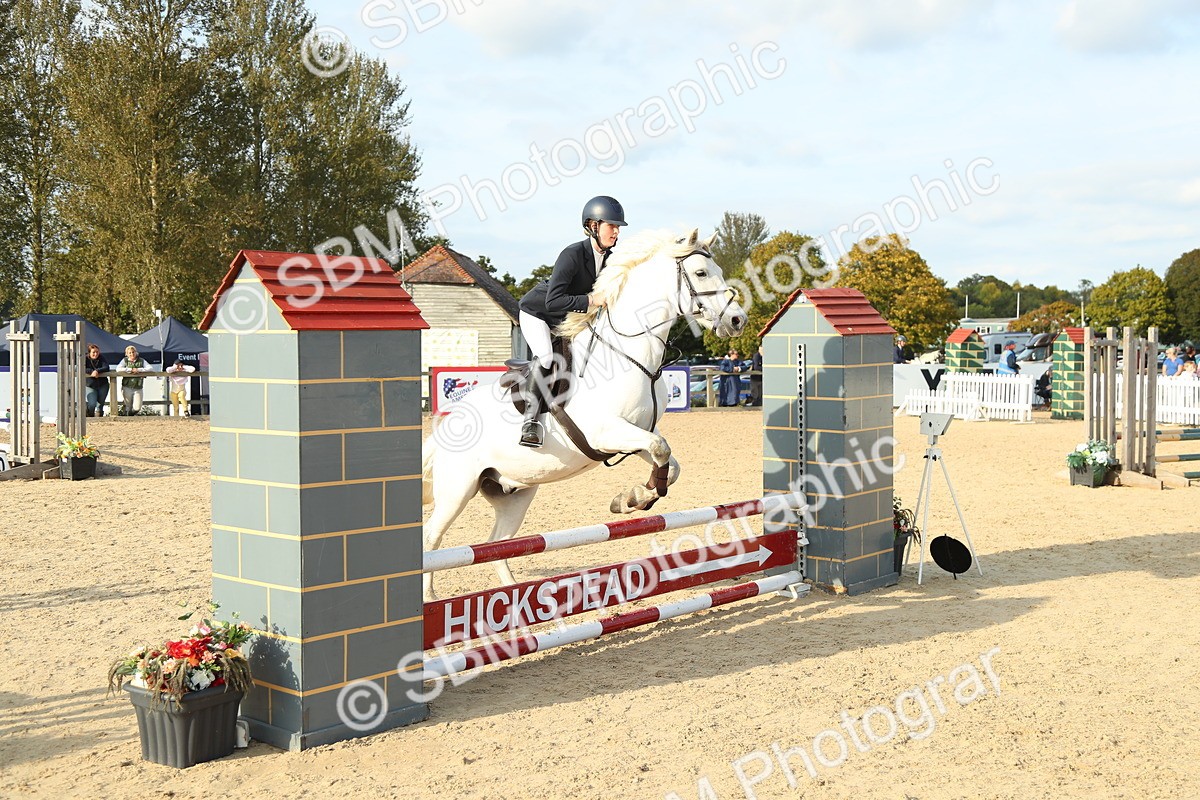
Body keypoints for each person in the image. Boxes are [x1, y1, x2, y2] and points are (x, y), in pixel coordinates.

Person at [516, 195, 626, 447]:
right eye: (612, 226)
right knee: (545, 357)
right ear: (593, 225)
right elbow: (553, 301)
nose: (617, 231)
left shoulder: (611, 259)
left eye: (618, 227)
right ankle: (530, 422)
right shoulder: (573, 254)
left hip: (569, 320)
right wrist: (591, 300)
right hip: (539, 313)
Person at [115, 345, 150, 415]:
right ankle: (127, 419)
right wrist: (130, 369)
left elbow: (150, 368)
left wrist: (139, 370)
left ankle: (130, 414)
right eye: (129, 353)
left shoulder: (141, 360)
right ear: (127, 354)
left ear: (136, 352)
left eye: (133, 352)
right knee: (128, 406)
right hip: (127, 386)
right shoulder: (125, 360)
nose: (132, 354)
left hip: (138, 387)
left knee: (137, 407)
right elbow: (118, 369)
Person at [84, 344, 111, 417]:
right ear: (89, 353)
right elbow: (81, 368)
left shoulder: (102, 358)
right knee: (92, 404)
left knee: (100, 405)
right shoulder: (85, 359)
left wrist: (97, 371)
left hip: (103, 384)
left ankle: (99, 421)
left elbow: (106, 367)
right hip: (90, 385)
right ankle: (89, 416)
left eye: (97, 352)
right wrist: (91, 372)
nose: (95, 354)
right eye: (93, 352)